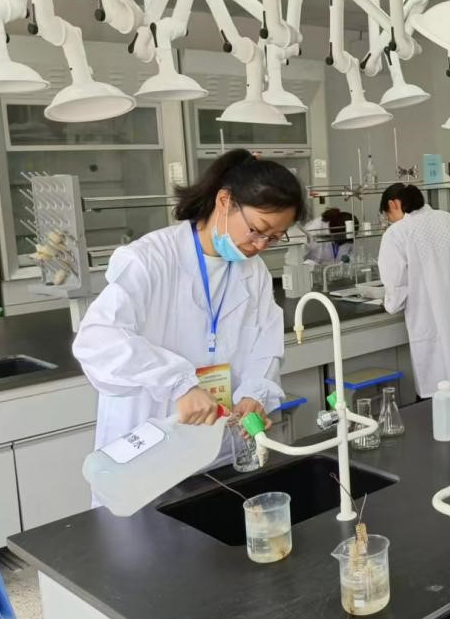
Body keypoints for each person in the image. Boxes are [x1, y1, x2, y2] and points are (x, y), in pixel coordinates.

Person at [74, 149, 301, 470]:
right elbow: (97, 339)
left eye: (274, 237)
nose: (261, 245)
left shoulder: (254, 272)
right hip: (148, 456)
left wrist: (255, 393)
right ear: (224, 201)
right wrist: (178, 384)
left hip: (220, 452)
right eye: (257, 229)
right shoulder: (150, 259)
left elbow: (266, 345)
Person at [378, 183, 450, 398]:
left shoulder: (397, 233)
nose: (390, 221)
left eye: (388, 215)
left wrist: (389, 303)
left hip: (424, 319)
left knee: (435, 389)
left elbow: (396, 287)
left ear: (394, 204)